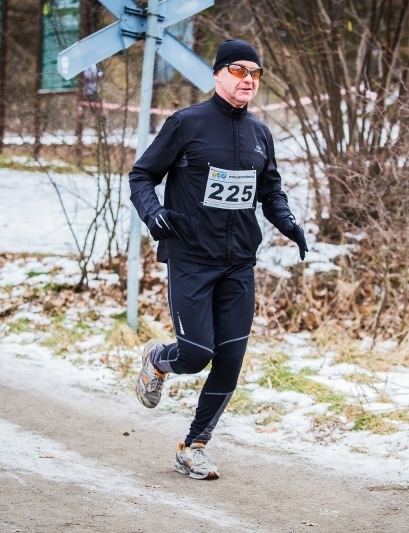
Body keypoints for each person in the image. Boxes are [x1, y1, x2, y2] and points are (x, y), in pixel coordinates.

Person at [128, 39, 308, 480]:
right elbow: (142, 175)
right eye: (239, 70)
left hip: (238, 262)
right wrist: (154, 213)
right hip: (191, 256)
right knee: (195, 354)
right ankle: (158, 360)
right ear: (218, 75)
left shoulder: (260, 134)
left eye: (256, 73)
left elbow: (269, 191)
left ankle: (194, 446)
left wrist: (287, 223)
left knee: (229, 360)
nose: (249, 79)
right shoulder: (186, 124)